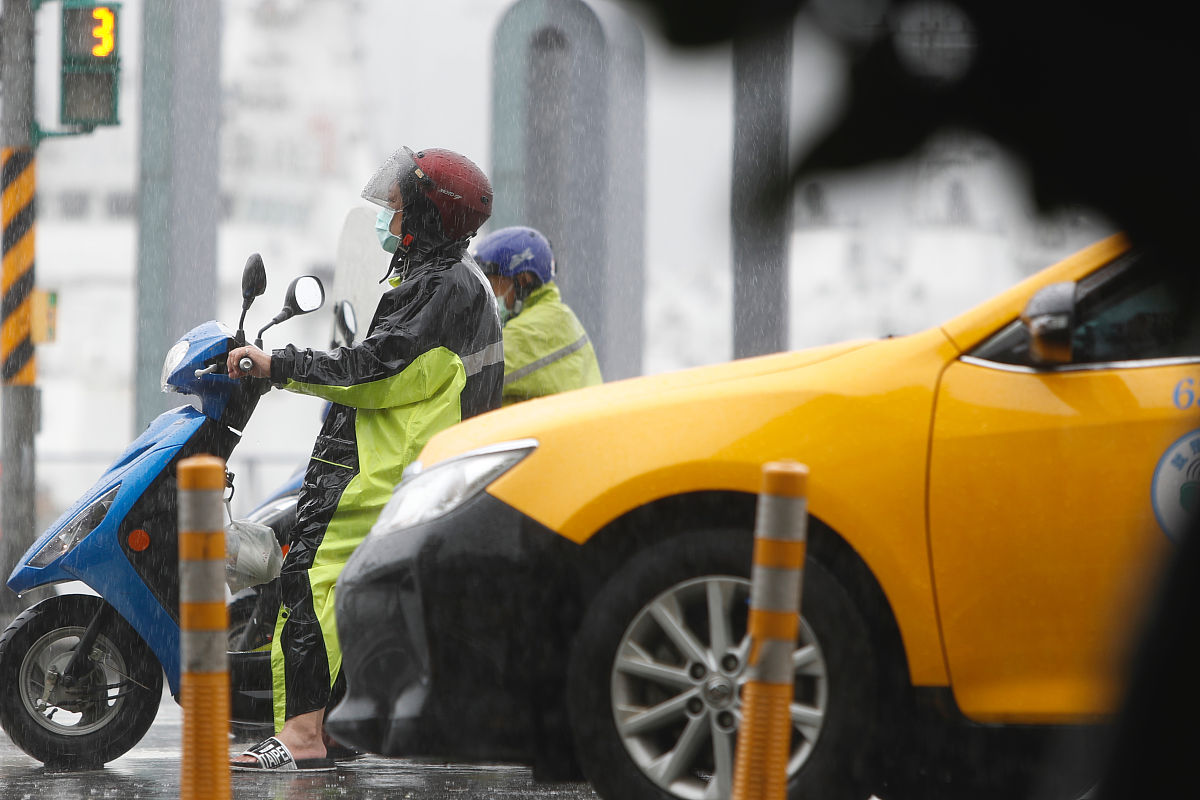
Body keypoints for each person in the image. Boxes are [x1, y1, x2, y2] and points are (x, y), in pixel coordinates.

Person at [228, 146, 503, 771]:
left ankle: (300, 734)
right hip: (409, 461)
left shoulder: (439, 286)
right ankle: (333, 729)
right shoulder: (457, 280)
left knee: (309, 582)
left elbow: (373, 370)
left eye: (399, 206)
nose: (389, 217)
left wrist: (277, 365)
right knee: (347, 593)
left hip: (376, 468)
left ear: (430, 216)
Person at [471, 226, 602, 405]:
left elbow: (469, 376)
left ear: (523, 280)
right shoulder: (557, 316)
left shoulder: (535, 329)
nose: (490, 295)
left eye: (493, 285)